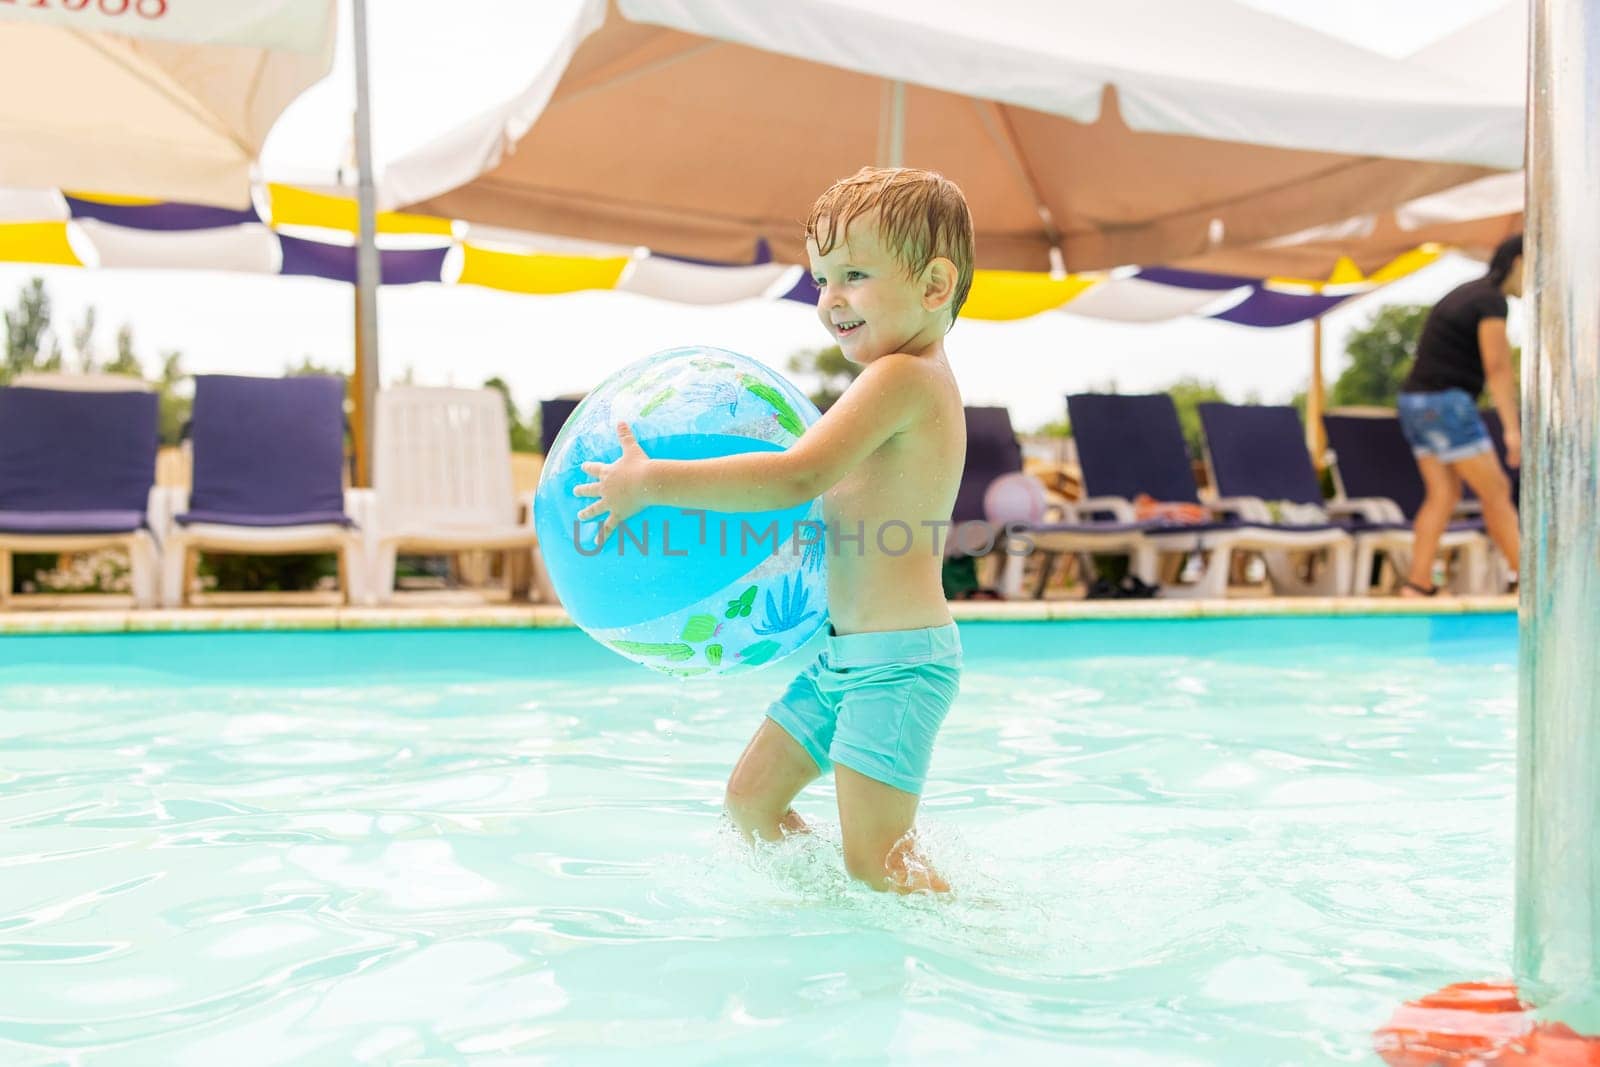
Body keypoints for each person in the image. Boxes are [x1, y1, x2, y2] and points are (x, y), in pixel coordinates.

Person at [575, 167, 972, 893]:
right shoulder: (897, 381)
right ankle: (839, 909)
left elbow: (794, 476)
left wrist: (654, 482)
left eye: (854, 273)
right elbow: (827, 504)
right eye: (822, 279)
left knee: (877, 858)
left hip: (899, 663)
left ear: (935, 286)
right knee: (751, 803)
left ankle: (987, 943)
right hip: (845, 657)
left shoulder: (905, 379)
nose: (832, 300)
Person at [1395, 234, 1523, 597]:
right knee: (1496, 489)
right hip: (1445, 403)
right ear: (1518, 261)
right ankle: (1529, 584)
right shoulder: (1491, 301)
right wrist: (1512, 430)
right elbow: (1497, 367)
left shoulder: (1467, 292)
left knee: (1443, 494)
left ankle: (1418, 584)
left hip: (1414, 402)